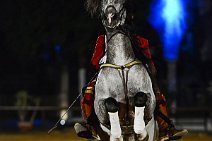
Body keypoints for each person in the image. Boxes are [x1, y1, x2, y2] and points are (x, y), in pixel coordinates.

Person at [78, 34, 188, 141]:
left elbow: (149, 62)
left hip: (134, 76)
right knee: (88, 89)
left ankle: (165, 128)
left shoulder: (138, 40)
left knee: (156, 91)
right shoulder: (103, 39)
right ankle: (90, 126)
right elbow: (94, 63)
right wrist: (104, 58)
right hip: (110, 75)